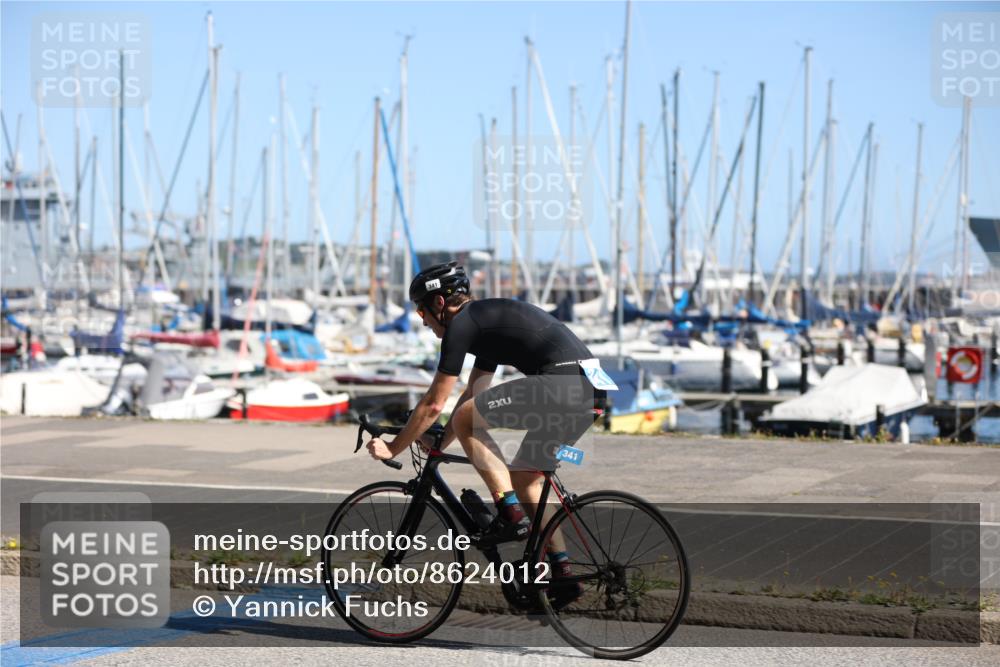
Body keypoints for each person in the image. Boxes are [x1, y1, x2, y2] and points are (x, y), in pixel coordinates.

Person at [366, 261, 614, 606]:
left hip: (565, 385)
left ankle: (509, 513)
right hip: (592, 391)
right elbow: (474, 397)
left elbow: (435, 404)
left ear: (439, 303)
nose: (422, 320)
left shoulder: (462, 325)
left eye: (422, 310)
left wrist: (393, 447)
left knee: (471, 421)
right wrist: (440, 441)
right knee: (527, 478)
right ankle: (564, 575)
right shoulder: (484, 324)